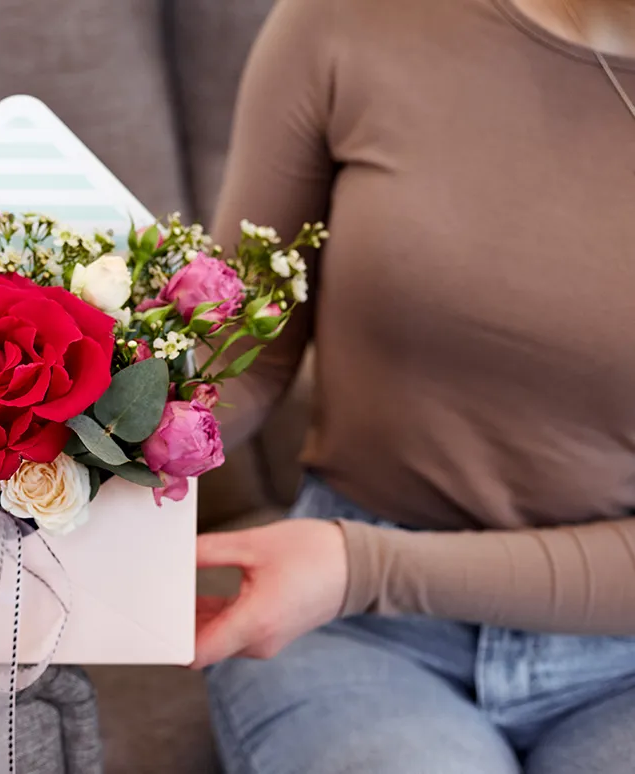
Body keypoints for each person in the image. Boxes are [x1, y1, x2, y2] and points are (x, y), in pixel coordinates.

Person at [195, 0, 635, 771]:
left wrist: (361, 567)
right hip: (353, 628)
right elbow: (241, 355)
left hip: (613, 652)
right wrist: (71, 430)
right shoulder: (351, 21)